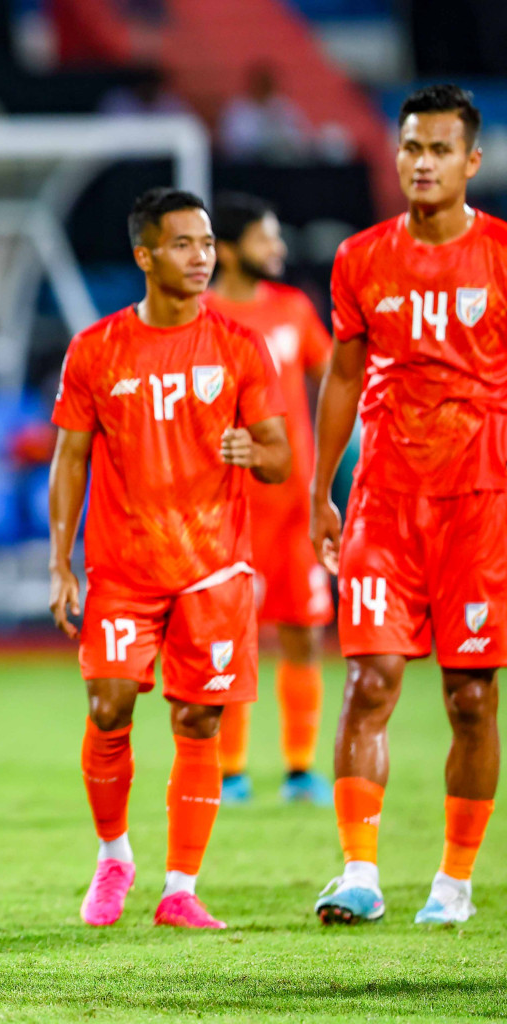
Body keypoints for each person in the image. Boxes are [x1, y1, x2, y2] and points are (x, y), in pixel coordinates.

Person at [49, 187, 291, 931]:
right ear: (145, 254)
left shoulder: (239, 345)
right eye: (183, 243)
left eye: (207, 242)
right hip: (124, 567)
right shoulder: (97, 348)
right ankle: (115, 855)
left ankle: (181, 888)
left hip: (215, 567)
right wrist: (60, 562)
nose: (201, 256)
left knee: (198, 720)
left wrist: (258, 450)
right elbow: (71, 457)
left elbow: (281, 456)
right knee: (109, 703)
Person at [312, 84, 506, 927]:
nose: (421, 163)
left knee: (471, 698)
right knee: (371, 680)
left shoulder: (501, 254)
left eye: (438, 150)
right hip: (385, 503)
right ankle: (359, 872)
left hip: (479, 504)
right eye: (410, 147)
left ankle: (454, 885)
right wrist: (325, 489)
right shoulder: (360, 257)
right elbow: (344, 376)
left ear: (472, 161)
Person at [203, 193, 335, 807]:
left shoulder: (294, 309)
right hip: (228, 509)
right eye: (266, 238)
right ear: (230, 250)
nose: (278, 249)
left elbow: (335, 382)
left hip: (296, 508)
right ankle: (231, 774)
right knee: (231, 638)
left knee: (305, 632)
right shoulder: (200, 315)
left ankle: (301, 769)